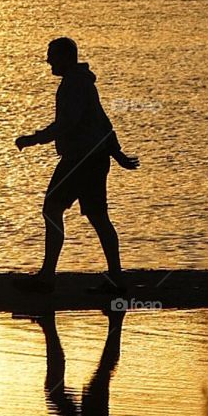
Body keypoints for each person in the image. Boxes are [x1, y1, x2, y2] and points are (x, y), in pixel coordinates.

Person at [15, 37, 139, 293]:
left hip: (81, 160)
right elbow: (102, 121)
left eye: (52, 55)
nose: (48, 60)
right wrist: (117, 154)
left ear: (65, 57)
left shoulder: (74, 84)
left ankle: (48, 277)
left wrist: (34, 139)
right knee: (96, 216)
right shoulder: (80, 83)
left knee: (53, 208)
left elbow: (68, 123)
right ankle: (116, 278)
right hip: (92, 158)